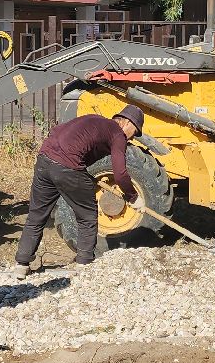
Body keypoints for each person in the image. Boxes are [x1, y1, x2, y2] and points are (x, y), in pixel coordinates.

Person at [13, 106, 145, 276]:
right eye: (135, 132)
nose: (132, 138)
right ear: (127, 122)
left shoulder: (94, 120)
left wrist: (79, 171)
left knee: (36, 214)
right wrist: (133, 197)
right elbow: (120, 174)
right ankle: (84, 264)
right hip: (67, 167)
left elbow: (61, 132)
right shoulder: (118, 134)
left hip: (44, 160)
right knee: (87, 216)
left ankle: (21, 265)